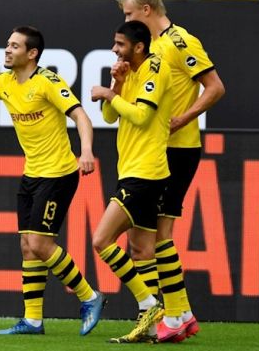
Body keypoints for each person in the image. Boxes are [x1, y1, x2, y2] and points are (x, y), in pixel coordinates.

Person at [0, 26, 105, 336]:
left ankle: (90, 296)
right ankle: (33, 320)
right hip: (32, 174)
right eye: (7, 44)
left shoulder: (48, 82)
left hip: (59, 173)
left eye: (15, 46)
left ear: (31, 54)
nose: (7, 50)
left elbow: (81, 117)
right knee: (27, 247)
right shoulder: (2, 82)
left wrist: (85, 151)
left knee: (40, 244)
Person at [115, 0, 226, 342]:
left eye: (130, 14)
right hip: (154, 150)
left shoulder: (181, 42)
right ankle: (178, 313)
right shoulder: (145, 50)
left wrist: (184, 117)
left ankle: (173, 315)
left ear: (147, 10)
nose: (127, 21)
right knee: (147, 238)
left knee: (155, 236)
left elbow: (215, 87)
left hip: (177, 149)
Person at [90, 20, 173, 344]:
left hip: (145, 173)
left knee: (101, 240)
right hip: (134, 170)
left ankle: (149, 303)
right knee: (140, 251)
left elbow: (141, 116)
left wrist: (110, 93)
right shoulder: (132, 73)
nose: (115, 49)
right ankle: (149, 328)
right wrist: (119, 85)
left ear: (138, 46)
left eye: (120, 44)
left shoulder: (156, 68)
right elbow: (111, 117)